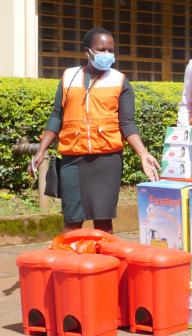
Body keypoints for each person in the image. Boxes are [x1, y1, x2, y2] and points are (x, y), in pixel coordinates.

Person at [28, 27, 160, 233]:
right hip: (73, 159)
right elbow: (56, 116)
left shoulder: (120, 81)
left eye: (110, 50)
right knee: (72, 220)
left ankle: (105, 263)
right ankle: (70, 264)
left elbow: (127, 123)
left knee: (103, 222)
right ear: (87, 52)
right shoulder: (68, 77)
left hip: (107, 161)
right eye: (101, 49)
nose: (107, 54)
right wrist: (41, 150)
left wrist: (143, 153)